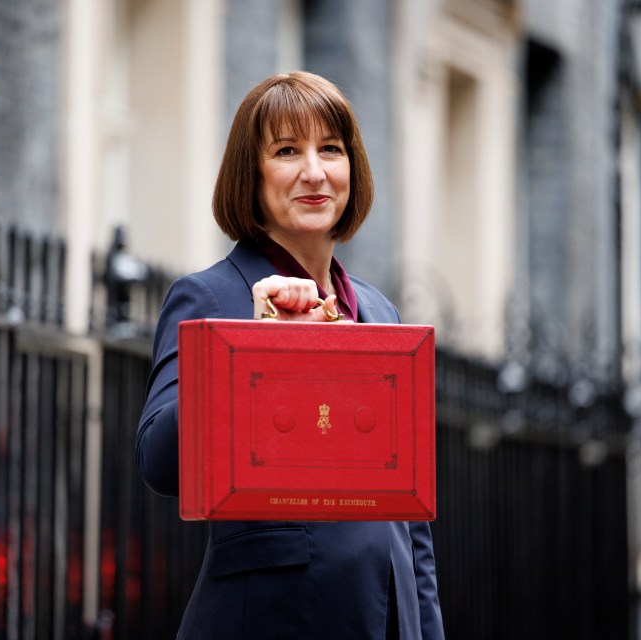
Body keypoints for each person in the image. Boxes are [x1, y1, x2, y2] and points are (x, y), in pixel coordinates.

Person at [136, 71, 444, 639]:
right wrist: (252, 343)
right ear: (250, 177)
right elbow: (158, 462)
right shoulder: (211, 297)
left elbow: (412, 524)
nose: (314, 171)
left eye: (331, 149)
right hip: (274, 621)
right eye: (286, 150)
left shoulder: (380, 313)